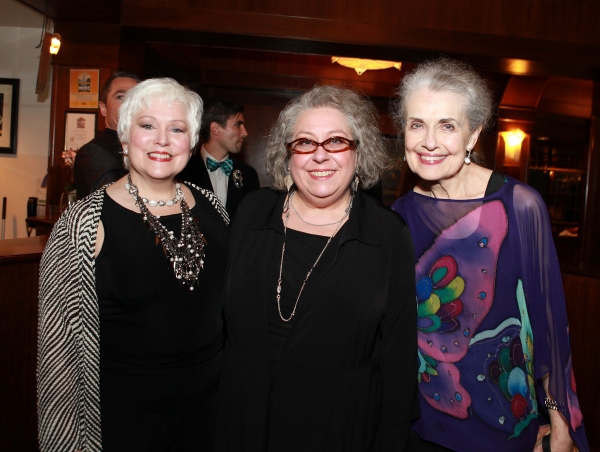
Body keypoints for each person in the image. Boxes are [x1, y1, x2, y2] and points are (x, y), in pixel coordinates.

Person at [390, 58, 589, 452]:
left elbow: (548, 331)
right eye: (417, 125)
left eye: (447, 125)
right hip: (418, 422)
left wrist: (557, 417)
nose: (429, 141)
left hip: (503, 424)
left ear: (473, 135)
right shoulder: (400, 214)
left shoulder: (519, 206)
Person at [214, 85, 419, 451]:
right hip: (241, 419)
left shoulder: (386, 234)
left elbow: (399, 355)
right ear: (288, 154)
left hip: (337, 426)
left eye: (336, 141)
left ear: (359, 152)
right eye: (306, 143)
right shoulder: (251, 213)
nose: (320, 156)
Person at [37, 78, 230, 452]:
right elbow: (57, 356)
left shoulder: (214, 208)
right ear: (124, 138)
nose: (162, 140)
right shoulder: (84, 222)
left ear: (191, 143)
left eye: (176, 129)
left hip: (210, 412)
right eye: (147, 126)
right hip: (123, 420)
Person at [177, 98, 260, 216]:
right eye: (238, 125)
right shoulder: (182, 171)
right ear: (215, 128)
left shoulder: (249, 174)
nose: (245, 132)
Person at [74, 71, 140, 199]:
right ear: (103, 108)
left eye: (136, 98)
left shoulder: (143, 148)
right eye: (121, 97)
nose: (129, 104)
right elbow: (111, 208)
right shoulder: (94, 152)